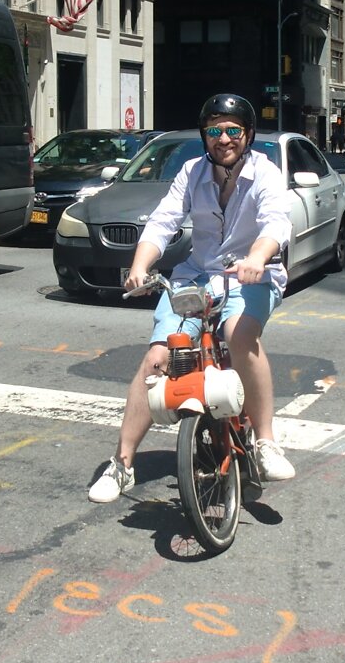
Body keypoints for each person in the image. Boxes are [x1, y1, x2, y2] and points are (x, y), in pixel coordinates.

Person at [88, 94, 297, 503]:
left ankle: (266, 442)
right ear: (205, 136)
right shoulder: (190, 172)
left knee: (239, 334)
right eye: (215, 130)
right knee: (157, 358)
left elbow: (276, 221)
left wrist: (257, 257)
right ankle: (122, 464)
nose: (224, 139)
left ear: (248, 134)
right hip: (197, 274)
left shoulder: (265, 172)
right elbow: (163, 221)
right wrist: (139, 265)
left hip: (250, 275)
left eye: (233, 130)